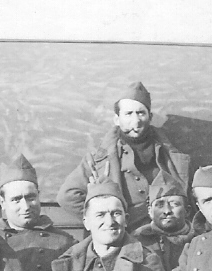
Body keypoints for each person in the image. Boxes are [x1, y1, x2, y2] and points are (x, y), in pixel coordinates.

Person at [57, 81, 190, 230]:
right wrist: (106, 222)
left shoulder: (170, 155)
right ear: (117, 119)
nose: (136, 120)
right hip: (125, 239)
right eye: (128, 114)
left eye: (141, 113)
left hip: (166, 235)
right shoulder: (98, 159)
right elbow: (67, 197)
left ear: (150, 116)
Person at [0, 153, 76, 271]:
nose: (26, 206)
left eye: (31, 197)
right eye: (16, 199)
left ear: (39, 196)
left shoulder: (65, 242)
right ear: (2, 202)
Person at [132, 172, 196, 271]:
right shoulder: (137, 241)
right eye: (160, 205)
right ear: (150, 211)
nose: (167, 211)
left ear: (187, 211)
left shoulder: (200, 238)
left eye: (174, 204)